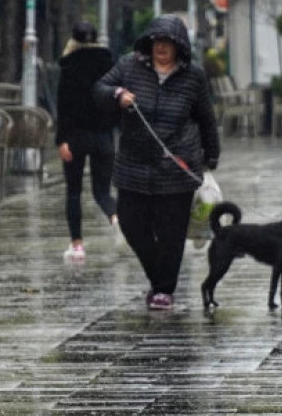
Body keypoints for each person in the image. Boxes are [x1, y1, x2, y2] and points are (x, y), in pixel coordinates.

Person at [95, 15, 220, 310]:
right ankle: (158, 276)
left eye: (168, 43)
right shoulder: (129, 66)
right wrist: (117, 94)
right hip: (133, 165)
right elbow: (99, 89)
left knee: (171, 232)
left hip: (177, 167)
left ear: (179, 47)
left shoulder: (194, 77)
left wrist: (211, 155)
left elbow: (206, 119)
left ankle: (165, 290)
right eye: (156, 42)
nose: (161, 47)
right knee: (131, 223)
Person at [55, 20, 119, 261]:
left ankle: (77, 246)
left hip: (75, 138)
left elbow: (63, 107)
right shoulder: (108, 65)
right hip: (103, 137)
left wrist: (61, 140)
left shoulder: (68, 66)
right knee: (102, 191)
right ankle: (116, 218)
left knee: (73, 191)